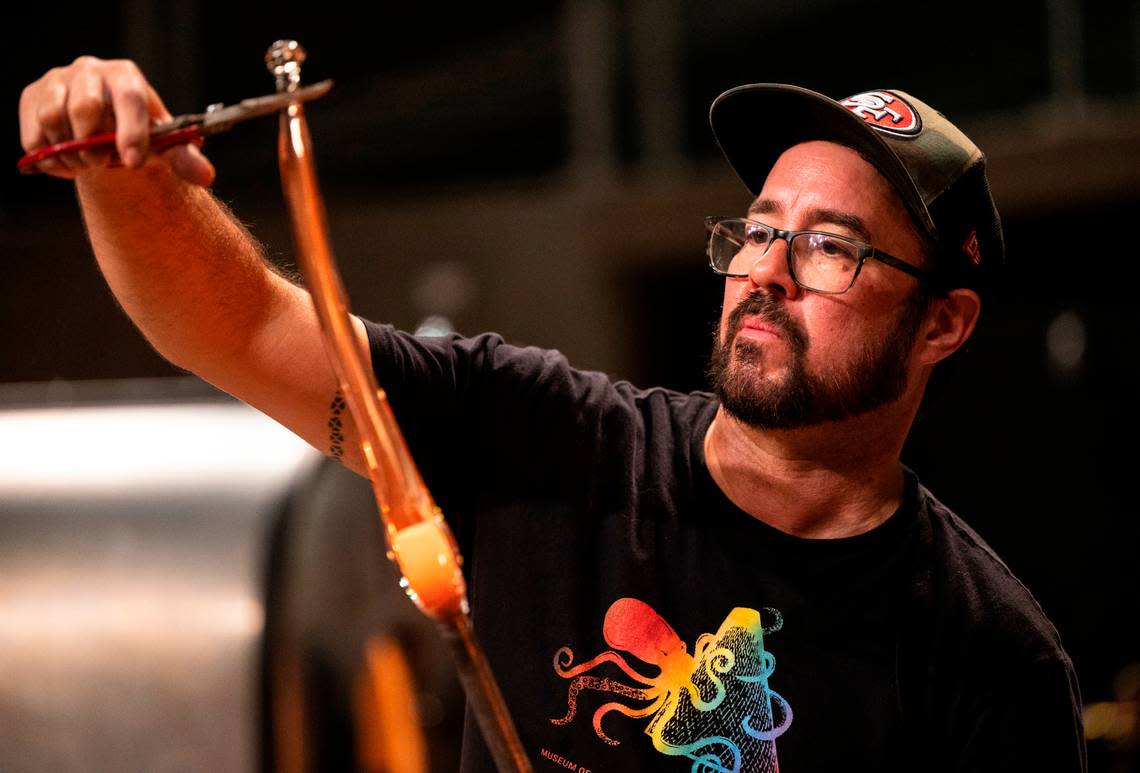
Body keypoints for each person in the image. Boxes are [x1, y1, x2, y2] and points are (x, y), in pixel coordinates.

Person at [19, 58, 1087, 772]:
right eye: (758, 230)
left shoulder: (991, 660)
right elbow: (241, 327)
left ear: (943, 323)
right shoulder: (547, 439)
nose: (764, 272)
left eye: (831, 247)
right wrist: (125, 180)